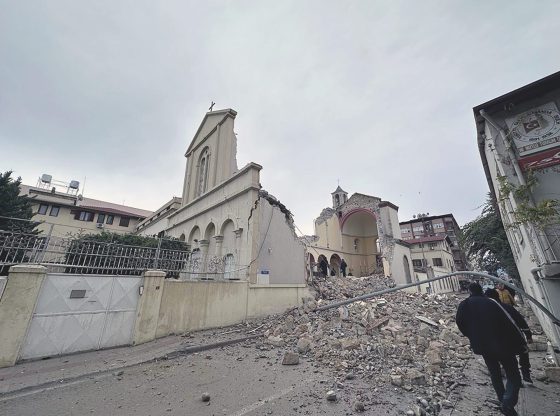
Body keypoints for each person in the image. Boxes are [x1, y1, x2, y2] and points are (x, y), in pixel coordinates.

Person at [456, 283, 526, 416]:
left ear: (469, 291)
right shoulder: (492, 303)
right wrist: (521, 341)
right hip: (503, 344)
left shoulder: (465, 304)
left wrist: (472, 335)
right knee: (513, 375)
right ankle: (507, 402)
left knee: (495, 374)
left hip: (483, 346)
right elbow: (509, 322)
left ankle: (502, 400)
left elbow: (460, 322)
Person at [485, 288, 533, 384]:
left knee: (510, 359)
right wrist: (528, 335)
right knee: (523, 353)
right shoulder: (507, 307)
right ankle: (525, 374)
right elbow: (521, 321)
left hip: (502, 341)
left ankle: (517, 378)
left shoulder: (489, 311)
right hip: (515, 337)